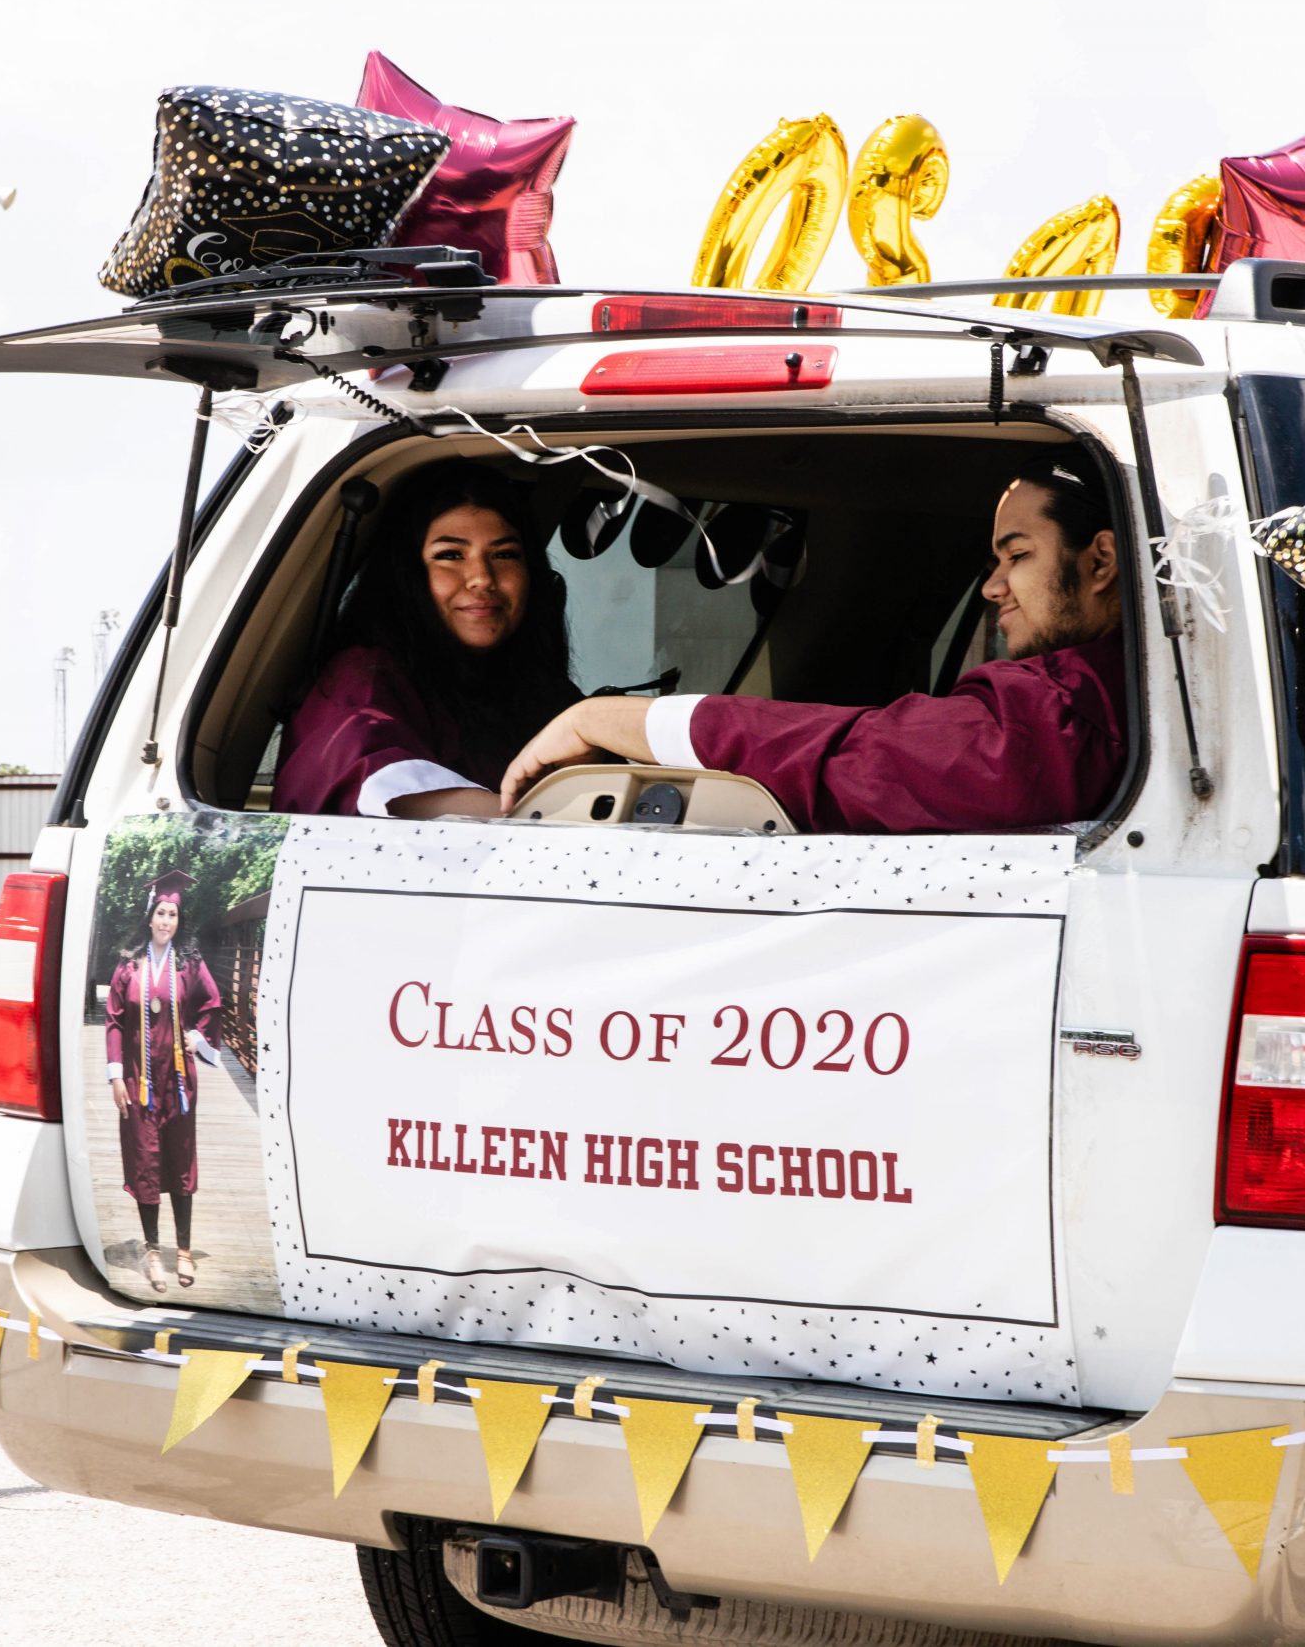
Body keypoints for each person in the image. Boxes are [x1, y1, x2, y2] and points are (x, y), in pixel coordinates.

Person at [499, 454, 1129, 833]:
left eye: (1017, 556)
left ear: (1101, 560)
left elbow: (876, 759)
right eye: (993, 563)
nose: (992, 587)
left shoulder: (1071, 709)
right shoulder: (1120, 694)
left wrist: (605, 719)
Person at [272, 461, 580, 819]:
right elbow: (391, 792)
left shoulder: (537, 687)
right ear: (407, 573)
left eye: (504, 554)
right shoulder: (363, 680)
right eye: (450, 555)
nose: (482, 578)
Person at [106, 873, 222, 1293]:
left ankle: (184, 1249)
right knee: (145, 1161)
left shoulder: (188, 964)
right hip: (139, 1082)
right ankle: (153, 1250)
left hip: (178, 1081)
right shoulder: (129, 965)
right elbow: (115, 1020)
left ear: (178, 919)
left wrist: (198, 1038)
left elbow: (212, 1003)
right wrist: (115, 1075)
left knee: (180, 1158)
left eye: (172, 914)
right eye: (160, 913)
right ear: (149, 916)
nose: (166, 921)